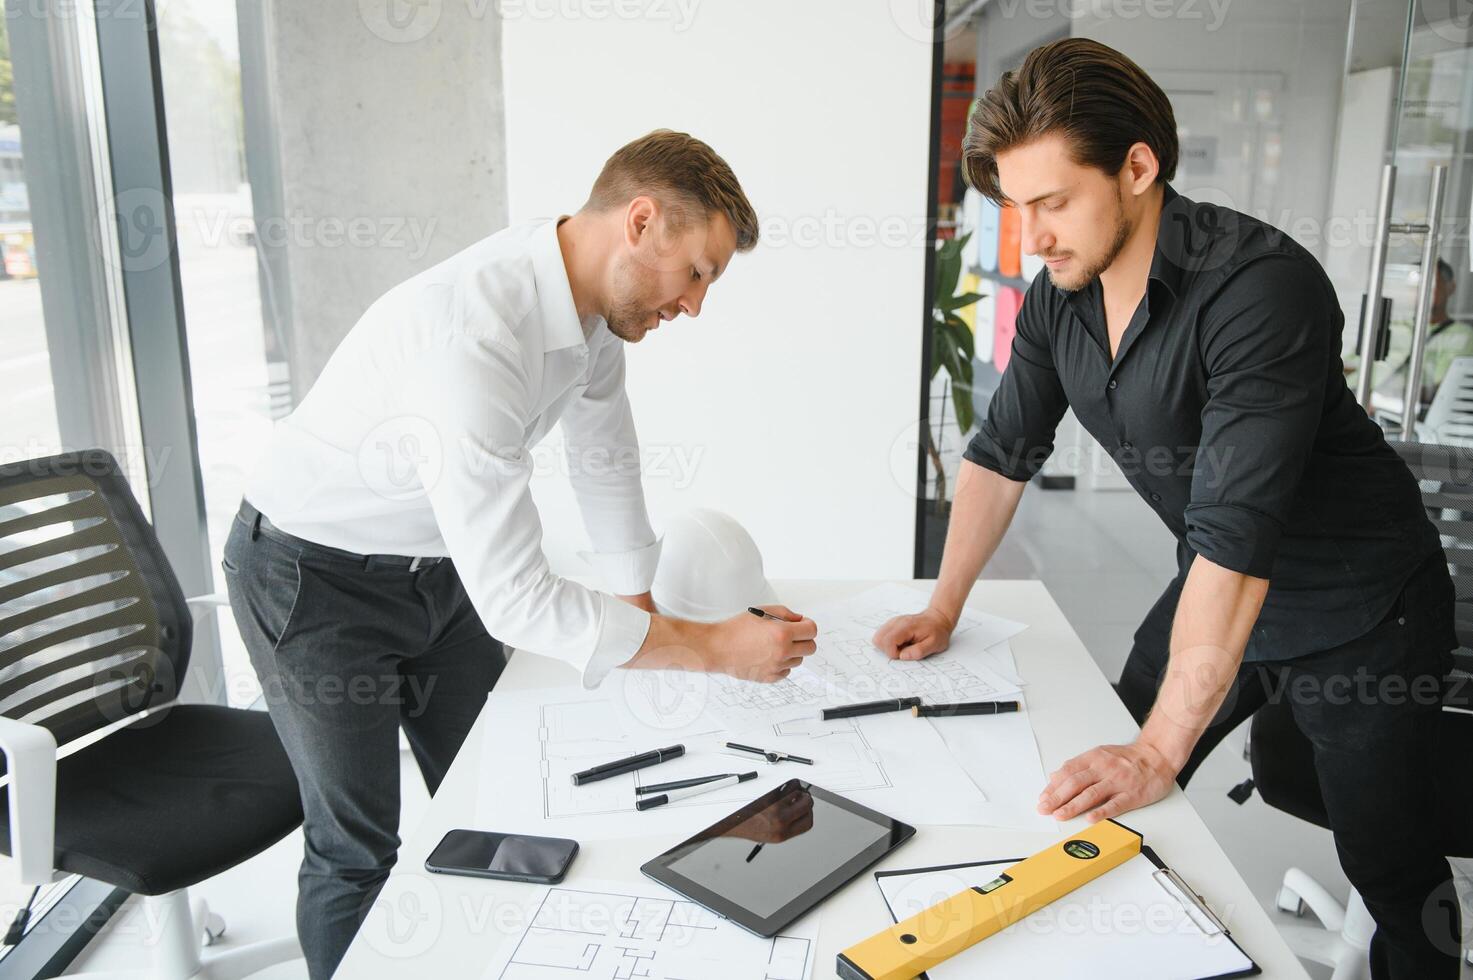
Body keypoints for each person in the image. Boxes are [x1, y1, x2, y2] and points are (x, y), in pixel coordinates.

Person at [872, 39, 1460, 979]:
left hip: (1360, 615)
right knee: (1090, 785)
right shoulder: (1059, 293)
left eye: (1053, 202)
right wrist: (944, 607)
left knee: (1385, 864)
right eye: (1015, 209)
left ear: (1138, 166)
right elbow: (1001, 450)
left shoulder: (1260, 290)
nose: (1032, 237)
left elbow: (1235, 534)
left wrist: (1158, 750)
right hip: (1214, 588)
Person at [222, 130, 818, 979]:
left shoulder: (587, 305)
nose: (695, 306)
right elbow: (518, 599)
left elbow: (602, 454)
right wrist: (713, 648)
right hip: (311, 577)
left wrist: (645, 614)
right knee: (357, 847)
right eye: (698, 273)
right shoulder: (469, 340)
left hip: (435, 570)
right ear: (641, 222)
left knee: (497, 796)